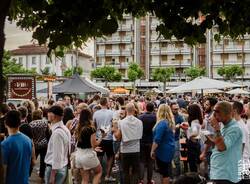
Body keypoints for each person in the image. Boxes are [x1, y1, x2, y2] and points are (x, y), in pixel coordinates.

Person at [209, 101, 243, 183]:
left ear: (227, 113)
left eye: (217, 111)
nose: (214, 115)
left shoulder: (235, 128)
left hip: (226, 174)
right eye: (214, 111)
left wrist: (216, 128)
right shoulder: (224, 125)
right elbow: (219, 144)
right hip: (219, 171)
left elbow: (222, 147)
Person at [113, 103, 143, 184]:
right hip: (136, 149)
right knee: (135, 171)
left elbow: (118, 138)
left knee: (125, 171)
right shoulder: (139, 122)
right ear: (134, 110)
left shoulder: (121, 122)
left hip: (125, 150)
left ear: (126, 110)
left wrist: (114, 130)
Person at [1, 110, 32, 184]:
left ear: (5, 124)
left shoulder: (5, 144)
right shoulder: (28, 140)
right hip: (24, 181)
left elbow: (3, 172)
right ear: (20, 123)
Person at [75, 108, 104, 184]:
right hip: (88, 155)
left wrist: (94, 148)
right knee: (99, 172)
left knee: (85, 179)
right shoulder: (91, 128)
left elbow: (83, 142)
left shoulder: (79, 128)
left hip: (78, 155)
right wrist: (102, 137)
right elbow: (94, 144)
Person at [44, 105, 71, 184]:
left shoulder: (57, 133)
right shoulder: (64, 128)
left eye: (48, 113)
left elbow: (57, 155)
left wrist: (53, 174)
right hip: (62, 166)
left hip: (55, 169)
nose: (47, 115)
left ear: (53, 115)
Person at [151, 104, 175, 184]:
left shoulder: (162, 123)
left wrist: (152, 150)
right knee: (165, 171)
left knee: (164, 172)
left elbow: (157, 139)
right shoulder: (169, 122)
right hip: (169, 147)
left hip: (163, 150)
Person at [93, 97, 115, 182]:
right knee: (110, 156)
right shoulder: (111, 113)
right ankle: (107, 175)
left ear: (100, 103)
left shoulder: (96, 113)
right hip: (109, 137)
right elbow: (114, 124)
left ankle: (98, 175)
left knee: (99, 157)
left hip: (99, 138)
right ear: (106, 103)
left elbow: (94, 126)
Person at [138, 102, 157, 184]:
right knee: (150, 161)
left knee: (141, 161)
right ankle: (149, 180)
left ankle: (141, 180)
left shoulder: (140, 117)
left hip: (142, 140)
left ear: (145, 108)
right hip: (151, 141)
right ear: (153, 108)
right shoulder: (155, 117)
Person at [200, 97, 218, 178]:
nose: (204, 106)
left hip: (211, 149)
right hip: (210, 148)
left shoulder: (212, 118)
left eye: (207, 105)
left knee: (212, 170)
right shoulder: (209, 116)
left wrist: (204, 152)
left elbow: (211, 137)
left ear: (212, 106)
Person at [30, 109, 50, 179]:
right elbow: (48, 134)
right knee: (43, 161)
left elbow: (30, 136)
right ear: (41, 115)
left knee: (31, 160)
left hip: (35, 145)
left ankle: (29, 173)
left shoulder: (31, 124)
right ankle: (42, 175)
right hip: (44, 144)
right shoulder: (45, 123)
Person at [186, 104, 203, 172]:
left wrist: (189, 136)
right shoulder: (197, 119)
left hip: (192, 143)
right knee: (197, 162)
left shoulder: (193, 121)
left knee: (192, 163)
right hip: (196, 142)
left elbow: (195, 132)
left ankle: (194, 178)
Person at [170, 102, 185, 177]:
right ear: (171, 109)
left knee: (176, 160)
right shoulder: (168, 116)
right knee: (168, 159)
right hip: (168, 141)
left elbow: (184, 125)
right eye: (175, 109)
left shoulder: (179, 116)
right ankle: (170, 176)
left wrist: (182, 125)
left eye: (177, 109)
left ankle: (177, 177)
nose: (177, 110)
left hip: (176, 139)